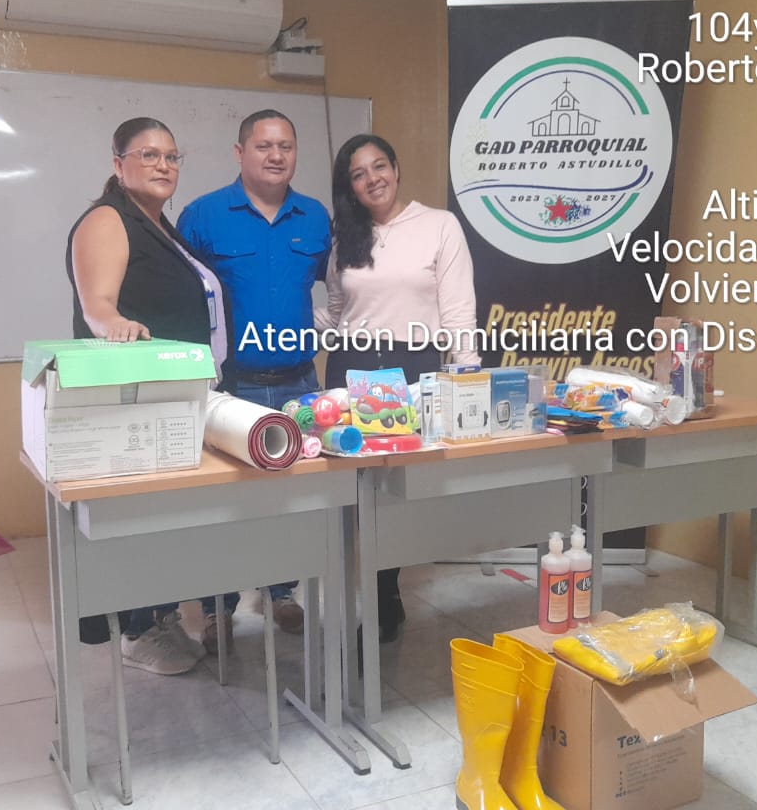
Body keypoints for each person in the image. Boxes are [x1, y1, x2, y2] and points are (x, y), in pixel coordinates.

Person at [65, 116, 230, 675]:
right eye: (149, 155)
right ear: (119, 164)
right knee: (141, 520)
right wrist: (114, 323)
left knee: (168, 522)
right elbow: (97, 305)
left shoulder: (160, 227)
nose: (164, 165)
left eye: (172, 156)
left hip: (175, 398)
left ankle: (159, 617)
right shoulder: (108, 219)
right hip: (136, 399)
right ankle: (136, 631)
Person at [178, 110, 331, 653]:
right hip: (231, 385)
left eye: (286, 145)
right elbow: (182, 297)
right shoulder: (202, 216)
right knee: (223, 504)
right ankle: (216, 607)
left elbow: (338, 290)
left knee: (292, 498)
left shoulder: (316, 218)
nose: (276, 155)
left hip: (298, 382)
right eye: (264, 145)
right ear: (239, 152)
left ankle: (280, 591)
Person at [320, 133, 480, 641]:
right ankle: (363, 595)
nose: (372, 179)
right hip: (351, 368)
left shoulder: (439, 226)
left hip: (409, 372)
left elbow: (458, 310)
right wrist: (281, 323)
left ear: (395, 168)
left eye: (379, 166)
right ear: (349, 187)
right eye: (358, 174)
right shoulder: (345, 238)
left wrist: (467, 376)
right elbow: (338, 311)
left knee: (393, 494)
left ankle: (384, 593)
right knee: (350, 491)